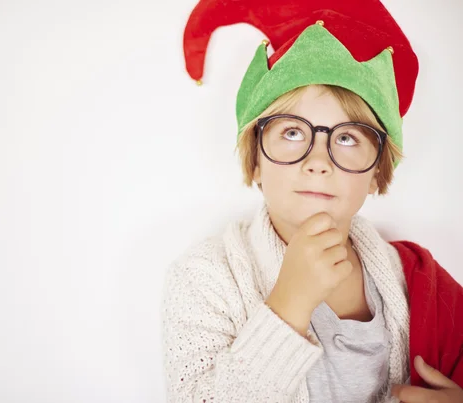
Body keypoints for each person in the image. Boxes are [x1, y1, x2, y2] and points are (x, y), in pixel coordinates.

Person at [161, 1, 463, 402]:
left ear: (377, 172)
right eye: (291, 133)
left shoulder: (419, 282)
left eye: (347, 137)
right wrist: (289, 306)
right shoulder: (204, 278)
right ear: (255, 160)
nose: (318, 161)